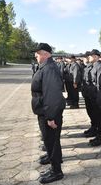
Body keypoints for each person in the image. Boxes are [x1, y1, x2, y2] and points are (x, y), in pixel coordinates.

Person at [31, 43, 65, 184]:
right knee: (51, 142)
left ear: (46, 54)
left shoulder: (49, 68)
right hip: (45, 111)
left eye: (38, 53)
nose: (35, 55)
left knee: (52, 142)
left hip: (49, 113)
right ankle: (54, 166)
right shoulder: (46, 67)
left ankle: (57, 171)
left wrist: (50, 117)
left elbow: (52, 96)